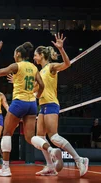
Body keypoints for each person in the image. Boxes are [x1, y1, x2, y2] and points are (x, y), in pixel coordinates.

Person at [8, 33, 89, 177]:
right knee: (40, 137)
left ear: (41, 55)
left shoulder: (51, 67)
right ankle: (50, 166)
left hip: (51, 104)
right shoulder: (39, 72)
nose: (33, 57)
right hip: (42, 106)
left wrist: (61, 49)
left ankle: (80, 159)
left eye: (35, 55)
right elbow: (33, 89)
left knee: (54, 137)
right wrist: (17, 82)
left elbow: (67, 64)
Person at [0, 41, 47, 177]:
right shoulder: (34, 67)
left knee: (6, 133)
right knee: (30, 137)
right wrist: (37, 96)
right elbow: (41, 84)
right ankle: (50, 149)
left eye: (14, 54)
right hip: (32, 104)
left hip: (19, 103)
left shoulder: (16, 65)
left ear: (17, 54)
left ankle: (5, 168)